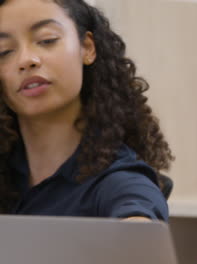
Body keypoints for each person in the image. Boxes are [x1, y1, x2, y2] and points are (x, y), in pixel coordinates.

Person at [0, 0, 173, 221]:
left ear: (88, 48)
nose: (26, 60)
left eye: (47, 40)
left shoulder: (120, 183)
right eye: (4, 52)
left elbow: (141, 232)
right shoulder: (9, 171)